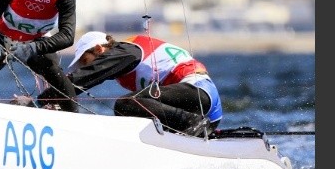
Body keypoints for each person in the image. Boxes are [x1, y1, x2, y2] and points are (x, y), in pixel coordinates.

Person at [57, 31, 222, 136]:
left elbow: (85, 77)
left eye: (86, 61)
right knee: (131, 109)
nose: (88, 66)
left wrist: (49, 96)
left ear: (99, 49)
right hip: (205, 112)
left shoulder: (125, 51)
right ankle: (187, 129)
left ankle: (193, 123)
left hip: (199, 95)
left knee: (127, 104)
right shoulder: (123, 68)